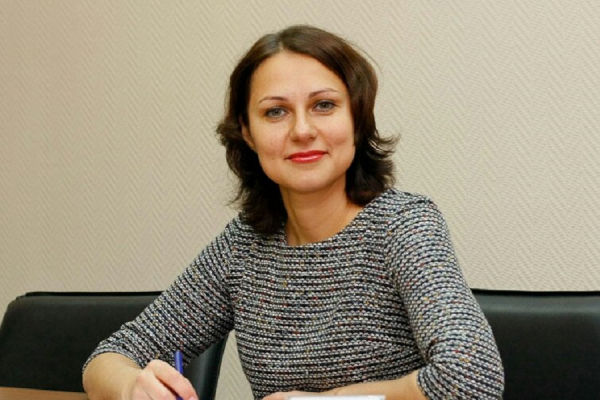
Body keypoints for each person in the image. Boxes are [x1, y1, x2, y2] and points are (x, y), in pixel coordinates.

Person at [82, 25, 504, 400]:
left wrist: (325, 399)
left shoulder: (403, 225)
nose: (302, 130)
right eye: (275, 112)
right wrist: (130, 387)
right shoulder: (243, 247)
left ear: (357, 118)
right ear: (247, 133)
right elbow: (108, 357)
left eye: (324, 105)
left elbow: (471, 380)